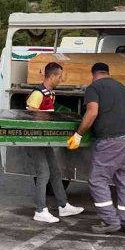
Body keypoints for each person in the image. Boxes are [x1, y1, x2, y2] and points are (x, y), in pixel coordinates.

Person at [70, 63, 125, 234]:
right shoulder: (121, 87)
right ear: (108, 73)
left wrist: (79, 134)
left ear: (93, 74)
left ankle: (110, 220)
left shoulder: (93, 87)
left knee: (97, 180)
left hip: (112, 140)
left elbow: (92, 112)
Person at [25, 62, 84, 223]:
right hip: (36, 139)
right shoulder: (38, 94)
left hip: (45, 139)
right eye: (59, 76)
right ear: (51, 76)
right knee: (43, 173)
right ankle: (40, 210)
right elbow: (30, 114)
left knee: (55, 171)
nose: (61, 79)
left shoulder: (51, 93)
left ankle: (63, 206)